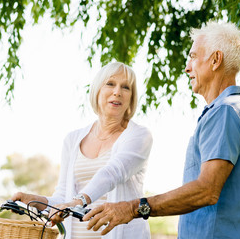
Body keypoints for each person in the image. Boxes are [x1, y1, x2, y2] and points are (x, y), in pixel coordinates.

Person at [83, 21, 240, 239]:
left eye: (193, 56)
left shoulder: (225, 112)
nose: (187, 67)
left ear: (216, 60)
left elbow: (206, 190)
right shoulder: (237, 110)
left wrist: (133, 208)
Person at [11, 62, 153, 239]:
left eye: (126, 87)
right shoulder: (73, 140)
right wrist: (33, 200)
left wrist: (78, 201)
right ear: (97, 90)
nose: (117, 92)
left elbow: (114, 172)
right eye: (110, 84)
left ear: (131, 97)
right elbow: (63, 197)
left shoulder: (138, 135)